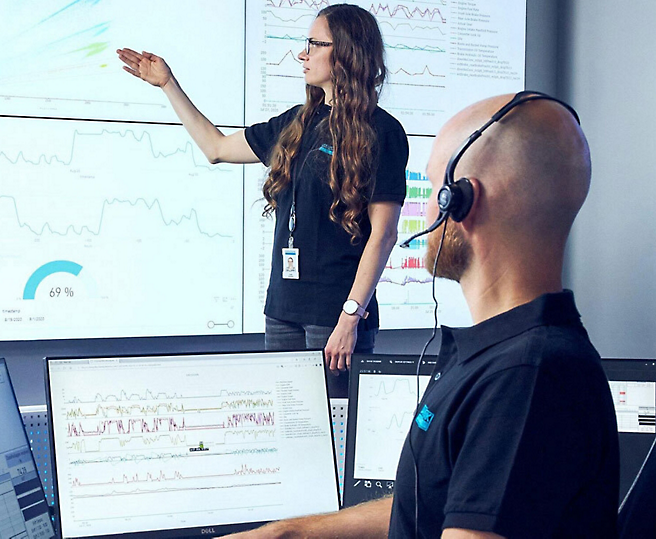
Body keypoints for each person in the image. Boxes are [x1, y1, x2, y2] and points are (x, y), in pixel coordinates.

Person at [223, 92, 620, 538]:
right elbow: (436, 502)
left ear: (464, 201)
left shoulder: (527, 377)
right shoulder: (502, 355)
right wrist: (288, 533)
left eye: (432, 190)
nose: (425, 209)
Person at [116, 4, 407, 394]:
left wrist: (350, 318)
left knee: (335, 443)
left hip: (334, 317)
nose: (302, 54)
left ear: (347, 53)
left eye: (314, 44)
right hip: (283, 311)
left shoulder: (383, 131)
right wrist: (169, 84)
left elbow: (384, 234)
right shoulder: (297, 122)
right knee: (290, 438)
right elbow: (215, 147)